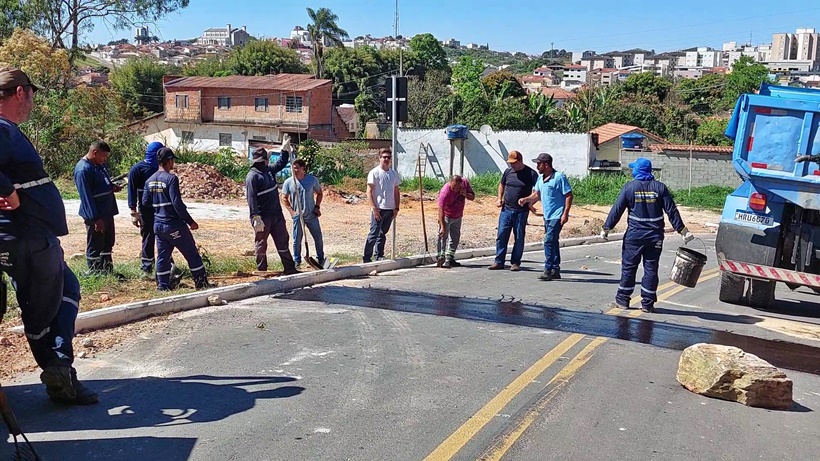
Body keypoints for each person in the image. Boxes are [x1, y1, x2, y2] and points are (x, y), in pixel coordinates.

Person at [0, 67, 97, 404]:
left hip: (25, 237)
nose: (31, 100)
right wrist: (10, 195)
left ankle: (60, 368)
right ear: (19, 93)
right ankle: (58, 368)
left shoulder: (8, 131)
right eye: (31, 92)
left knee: (62, 291)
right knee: (41, 308)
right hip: (27, 236)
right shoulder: (2, 129)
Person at [600, 157, 694, 312]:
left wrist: (606, 228)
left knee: (629, 267)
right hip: (654, 237)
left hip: (635, 236)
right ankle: (647, 304)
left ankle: (623, 300)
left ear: (638, 171)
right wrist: (682, 230)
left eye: (634, 169)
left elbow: (617, 209)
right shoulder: (660, 188)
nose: (632, 171)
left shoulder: (629, 188)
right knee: (651, 269)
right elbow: (671, 211)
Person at [142, 147, 214, 290]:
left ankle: (162, 286)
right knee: (191, 253)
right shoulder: (171, 179)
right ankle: (201, 283)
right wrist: (190, 222)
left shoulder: (149, 180)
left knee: (162, 257)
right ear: (169, 161)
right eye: (173, 160)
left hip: (158, 226)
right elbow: (177, 204)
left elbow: (145, 202)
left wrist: (159, 206)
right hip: (173, 225)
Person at [245, 135, 298, 275]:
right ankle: (262, 270)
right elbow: (251, 199)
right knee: (261, 244)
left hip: (276, 215)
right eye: (267, 158)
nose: (269, 160)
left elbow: (281, 163)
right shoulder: (253, 177)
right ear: (263, 160)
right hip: (263, 218)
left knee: (282, 240)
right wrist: (255, 217)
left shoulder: (268, 170)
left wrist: (285, 150)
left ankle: (289, 268)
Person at [519, 153, 573, 281]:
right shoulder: (540, 179)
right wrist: (526, 200)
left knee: (548, 240)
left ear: (546, 164)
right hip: (547, 216)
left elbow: (569, 195)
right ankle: (555, 269)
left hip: (557, 215)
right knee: (553, 241)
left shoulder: (559, 177)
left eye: (539, 164)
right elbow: (537, 194)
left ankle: (548, 269)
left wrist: (565, 213)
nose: (537, 166)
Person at [74, 140, 121, 275]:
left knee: (108, 241)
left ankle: (107, 270)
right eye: (103, 156)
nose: (104, 160)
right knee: (95, 243)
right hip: (96, 215)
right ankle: (94, 272)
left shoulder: (99, 166)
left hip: (107, 211)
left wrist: (112, 187)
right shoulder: (83, 170)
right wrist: (95, 219)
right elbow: (86, 197)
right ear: (94, 153)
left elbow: (103, 183)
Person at [489, 150, 539, 271]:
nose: (512, 165)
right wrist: (499, 198)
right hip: (506, 210)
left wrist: (530, 202)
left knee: (519, 237)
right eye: (510, 163)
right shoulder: (508, 172)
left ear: (520, 161)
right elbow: (502, 185)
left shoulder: (531, 173)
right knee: (501, 235)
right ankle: (499, 261)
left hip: (521, 212)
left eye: (514, 163)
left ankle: (515, 262)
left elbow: (538, 190)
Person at [127, 141, 164, 274]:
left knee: (163, 237)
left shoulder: (161, 168)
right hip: (145, 210)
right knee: (148, 236)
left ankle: (165, 264)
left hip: (161, 209)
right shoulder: (138, 169)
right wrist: (133, 212)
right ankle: (147, 265)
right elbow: (131, 191)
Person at [282, 158, 325, 267]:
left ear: (303, 168)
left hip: (311, 215)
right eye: (292, 168)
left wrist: (317, 207)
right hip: (298, 216)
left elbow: (319, 193)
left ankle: (320, 258)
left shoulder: (312, 180)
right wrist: (292, 212)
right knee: (297, 240)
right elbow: (284, 198)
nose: (294, 170)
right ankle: (297, 261)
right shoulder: (289, 182)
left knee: (318, 238)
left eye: (296, 168)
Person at [363, 147, 401, 263]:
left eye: (388, 157)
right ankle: (366, 258)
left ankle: (379, 255)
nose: (386, 159)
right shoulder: (374, 173)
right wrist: (374, 208)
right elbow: (369, 192)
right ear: (379, 158)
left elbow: (396, 191)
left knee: (382, 233)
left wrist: (396, 208)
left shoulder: (394, 174)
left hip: (390, 209)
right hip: (379, 209)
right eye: (384, 157)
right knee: (374, 233)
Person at [436, 174, 475, 268]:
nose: (456, 190)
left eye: (458, 188)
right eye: (454, 187)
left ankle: (450, 258)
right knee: (443, 235)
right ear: (450, 183)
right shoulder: (445, 192)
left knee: (455, 237)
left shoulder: (465, 183)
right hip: (447, 216)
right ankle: (440, 257)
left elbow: (472, 197)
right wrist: (442, 226)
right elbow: (440, 210)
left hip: (458, 215)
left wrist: (465, 194)